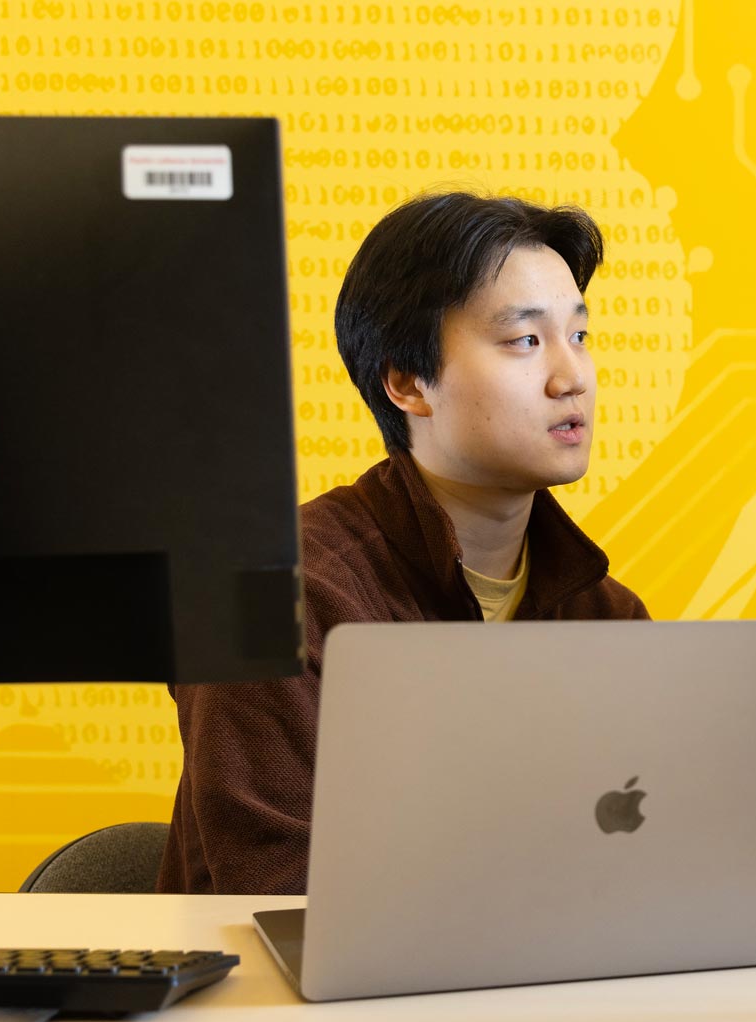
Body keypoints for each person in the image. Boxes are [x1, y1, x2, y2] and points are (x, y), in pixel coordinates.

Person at [158, 192, 649, 894]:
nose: (572, 378)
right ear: (406, 382)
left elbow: (638, 864)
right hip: (286, 1000)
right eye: (525, 341)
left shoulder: (607, 616)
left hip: (537, 990)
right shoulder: (268, 595)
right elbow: (278, 893)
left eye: (578, 336)